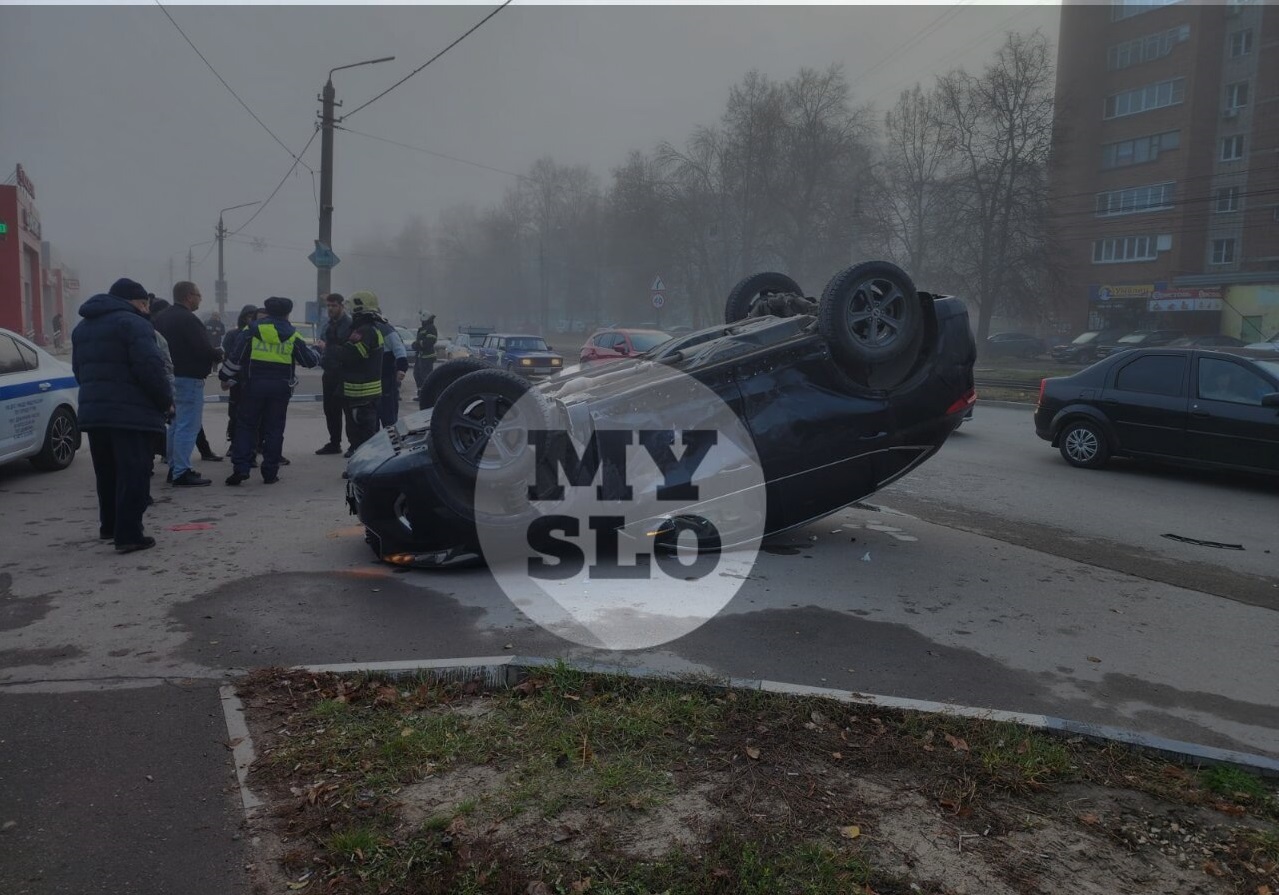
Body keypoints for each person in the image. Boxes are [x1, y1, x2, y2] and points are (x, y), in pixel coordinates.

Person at [71, 278, 173, 553]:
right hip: (131, 414)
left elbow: (79, 370)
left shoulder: (83, 327)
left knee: (107, 472)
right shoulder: (135, 324)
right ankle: (129, 535)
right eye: (146, 305)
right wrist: (166, 401)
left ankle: (110, 526)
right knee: (134, 472)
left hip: (96, 412)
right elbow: (150, 368)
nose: (147, 309)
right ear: (138, 303)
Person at [219, 297, 318, 485]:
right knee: (274, 429)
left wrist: (225, 376)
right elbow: (309, 361)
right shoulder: (293, 334)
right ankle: (270, 472)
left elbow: (236, 357)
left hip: (253, 386)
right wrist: (318, 351)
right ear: (287, 313)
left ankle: (241, 468)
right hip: (281, 389)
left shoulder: (252, 330)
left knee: (246, 427)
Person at [153, 281, 222, 487]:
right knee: (188, 426)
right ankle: (181, 472)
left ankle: (175, 467)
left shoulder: (160, 319)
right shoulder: (189, 320)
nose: (200, 299)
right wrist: (219, 354)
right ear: (189, 296)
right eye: (199, 295)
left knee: (175, 425)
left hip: (169, 377)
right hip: (189, 378)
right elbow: (203, 348)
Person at [341, 291, 387, 460]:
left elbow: (350, 356)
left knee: (363, 438)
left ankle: (365, 469)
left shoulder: (364, 331)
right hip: (364, 394)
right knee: (363, 436)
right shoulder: (370, 328)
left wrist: (333, 351)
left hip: (362, 394)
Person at [314, 293, 352, 456]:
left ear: (342, 306)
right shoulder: (328, 324)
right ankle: (334, 442)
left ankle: (354, 444)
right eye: (328, 306)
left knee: (349, 410)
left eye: (334, 305)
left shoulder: (349, 324)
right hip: (329, 372)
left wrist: (327, 346)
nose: (330, 309)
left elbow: (346, 348)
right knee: (330, 410)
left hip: (344, 373)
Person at [375, 314, 409, 428]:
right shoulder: (360, 327)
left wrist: (402, 368)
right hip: (372, 380)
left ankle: (391, 443)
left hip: (387, 378)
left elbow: (398, 347)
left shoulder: (384, 328)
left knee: (389, 419)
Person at [413, 312, 438, 390]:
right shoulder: (422, 329)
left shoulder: (431, 328)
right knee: (417, 374)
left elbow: (430, 341)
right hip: (420, 356)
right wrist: (416, 344)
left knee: (426, 376)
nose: (421, 322)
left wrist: (418, 344)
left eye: (422, 320)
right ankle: (421, 393)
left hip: (427, 356)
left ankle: (428, 394)